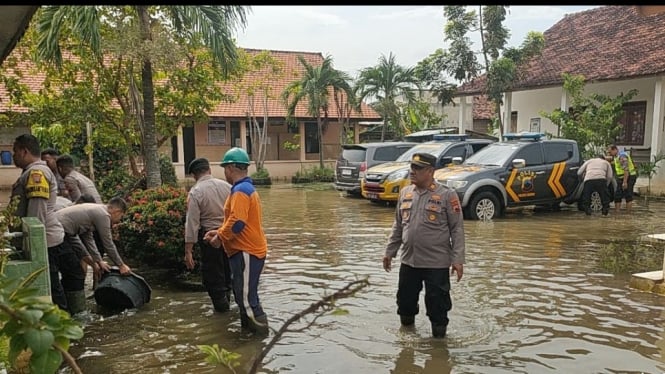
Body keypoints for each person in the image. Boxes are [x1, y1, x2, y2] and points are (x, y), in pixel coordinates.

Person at [382, 152, 465, 339]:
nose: (413, 172)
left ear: (430, 171)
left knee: (438, 307)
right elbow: (398, 225)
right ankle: (407, 342)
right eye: (412, 168)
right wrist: (389, 251)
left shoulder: (446, 195)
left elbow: (457, 229)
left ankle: (438, 349)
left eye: (418, 169)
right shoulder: (405, 193)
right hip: (409, 261)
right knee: (405, 303)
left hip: (436, 263)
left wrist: (458, 260)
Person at [11, 134, 83, 313]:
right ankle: (75, 318)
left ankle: (67, 328)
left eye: (15, 152)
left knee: (53, 288)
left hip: (45, 242)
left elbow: (37, 215)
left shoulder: (37, 174)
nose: (12, 156)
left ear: (24, 151)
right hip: (50, 238)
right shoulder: (32, 172)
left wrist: (32, 246)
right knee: (67, 278)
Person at [203, 147, 269, 335]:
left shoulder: (241, 190)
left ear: (231, 168)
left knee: (246, 298)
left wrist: (219, 238)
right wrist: (218, 231)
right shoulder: (243, 189)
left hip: (247, 251)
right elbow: (238, 220)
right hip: (245, 250)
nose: (224, 172)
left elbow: (238, 222)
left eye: (225, 168)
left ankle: (259, 339)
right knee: (243, 296)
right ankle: (248, 335)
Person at [184, 157, 233, 313]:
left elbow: (192, 223)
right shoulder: (228, 187)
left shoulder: (196, 192)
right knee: (227, 273)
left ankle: (222, 313)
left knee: (213, 277)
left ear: (194, 175)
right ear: (209, 170)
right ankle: (228, 308)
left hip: (209, 238)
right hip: (229, 236)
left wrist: (188, 251)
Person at [608, 144, 638, 212]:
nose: (609, 154)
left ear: (615, 150)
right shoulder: (616, 156)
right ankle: (617, 212)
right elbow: (613, 161)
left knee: (628, 194)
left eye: (610, 152)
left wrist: (625, 182)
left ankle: (628, 213)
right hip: (621, 177)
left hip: (629, 177)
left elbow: (626, 170)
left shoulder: (622, 156)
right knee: (617, 195)